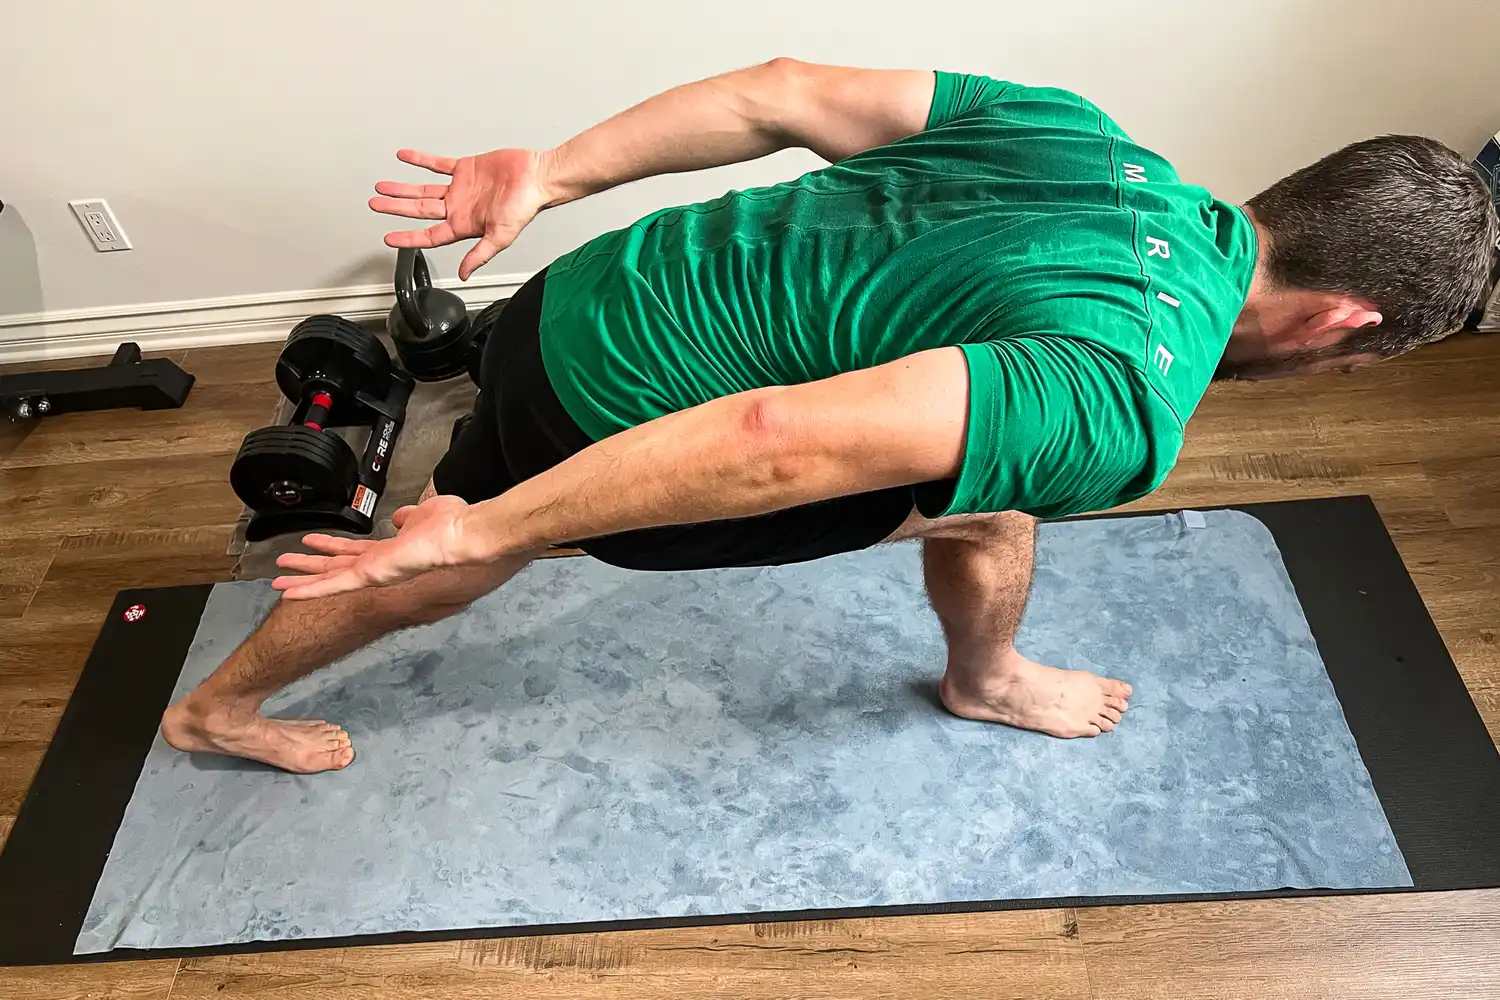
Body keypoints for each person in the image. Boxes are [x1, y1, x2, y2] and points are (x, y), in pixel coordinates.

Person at [161, 61, 1498, 773]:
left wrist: (553, 171)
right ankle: (214, 710)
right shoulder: (1125, 399)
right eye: (1354, 371)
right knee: (457, 552)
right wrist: (493, 530)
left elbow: (779, 89)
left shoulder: (1092, 139)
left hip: (592, 287)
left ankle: (983, 674)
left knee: (989, 490)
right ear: (1346, 326)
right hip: (609, 403)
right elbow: (774, 444)